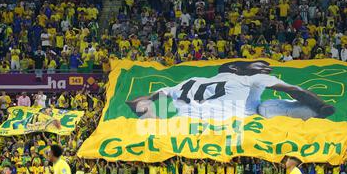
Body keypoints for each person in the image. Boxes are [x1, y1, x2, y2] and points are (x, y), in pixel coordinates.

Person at [126, 60, 335, 121]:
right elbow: (293, 91)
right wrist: (321, 105)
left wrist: (143, 107)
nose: (264, 68)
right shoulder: (249, 77)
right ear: (235, 68)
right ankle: (314, 113)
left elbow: (152, 97)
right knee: (266, 107)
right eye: (256, 63)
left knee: (152, 111)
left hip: (189, 122)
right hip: (229, 118)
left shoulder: (190, 80)